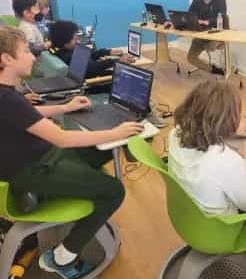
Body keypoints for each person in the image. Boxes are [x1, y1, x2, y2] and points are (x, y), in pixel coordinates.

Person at [0, 26, 144, 278]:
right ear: (6, 59)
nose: (33, 56)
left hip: (41, 158)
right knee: (114, 191)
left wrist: (65, 107)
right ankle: (61, 258)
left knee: (102, 152)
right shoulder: (7, 99)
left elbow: (27, 116)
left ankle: (87, 197)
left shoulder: (8, 94)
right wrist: (115, 132)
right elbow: (63, 139)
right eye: (26, 51)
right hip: (35, 170)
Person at [168, 81, 246, 258]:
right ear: (225, 121)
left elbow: (205, 137)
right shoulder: (224, 159)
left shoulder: (175, 134)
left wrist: (226, 131)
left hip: (190, 216)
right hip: (222, 229)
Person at [50, 20, 128, 79]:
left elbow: (89, 54)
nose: (78, 41)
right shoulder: (69, 57)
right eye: (75, 39)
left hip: (94, 74)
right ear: (65, 43)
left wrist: (108, 52)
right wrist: (117, 61)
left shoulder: (61, 51)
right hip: (94, 83)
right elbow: (95, 67)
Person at [187, 0, 227, 75]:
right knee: (190, 58)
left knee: (210, 47)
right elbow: (189, 16)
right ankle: (212, 70)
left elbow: (223, 17)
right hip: (201, 35)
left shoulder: (220, 0)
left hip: (215, 35)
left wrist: (206, 22)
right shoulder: (196, 0)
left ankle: (223, 70)